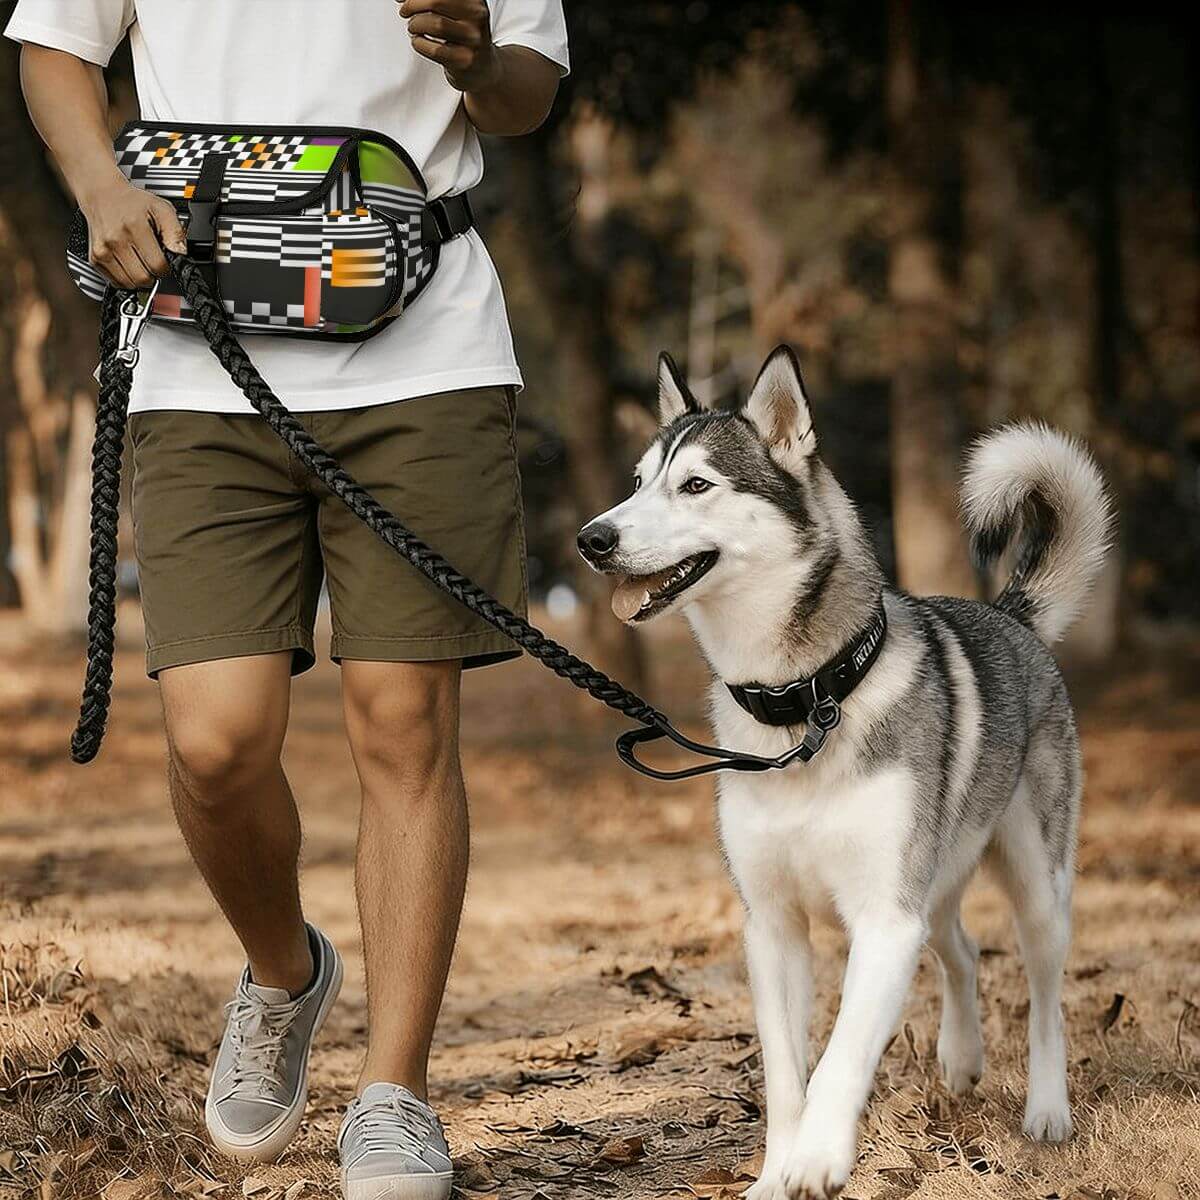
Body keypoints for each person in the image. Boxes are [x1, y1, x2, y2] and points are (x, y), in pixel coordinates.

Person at [6, 2, 567, 1196]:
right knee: (216, 743)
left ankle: (395, 1095)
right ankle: (282, 973)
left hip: (426, 351)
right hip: (197, 353)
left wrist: (478, 60)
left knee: (404, 728)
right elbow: (55, 45)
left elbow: (530, 92)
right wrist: (102, 187)